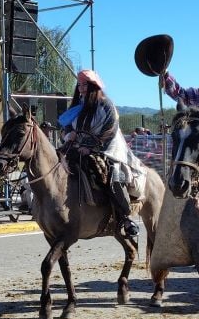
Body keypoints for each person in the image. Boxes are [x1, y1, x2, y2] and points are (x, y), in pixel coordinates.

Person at [59, 69, 140, 237]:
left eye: (84, 85)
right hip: (77, 147)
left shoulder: (106, 104)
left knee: (111, 173)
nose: (81, 88)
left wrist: (91, 147)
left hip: (106, 150)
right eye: (79, 85)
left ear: (93, 86)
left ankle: (125, 216)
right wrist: (69, 135)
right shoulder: (76, 106)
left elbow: (110, 130)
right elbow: (66, 125)